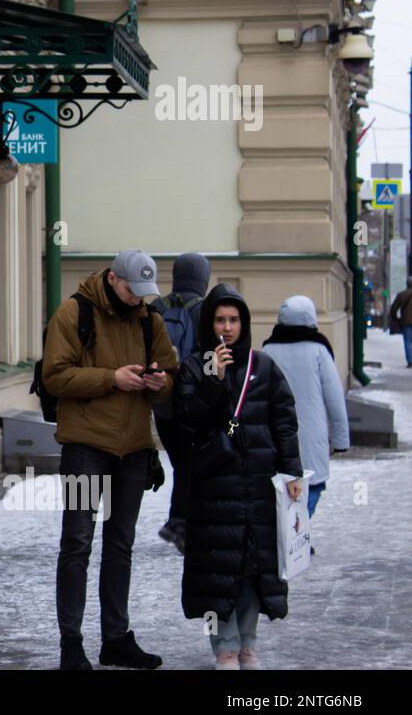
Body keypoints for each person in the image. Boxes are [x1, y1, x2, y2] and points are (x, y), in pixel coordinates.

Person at [42, 250, 179, 670]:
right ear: (113, 279)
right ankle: (71, 644)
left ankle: (115, 639)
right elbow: (55, 376)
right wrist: (111, 378)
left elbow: (170, 376)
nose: (138, 299)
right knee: (77, 544)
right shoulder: (73, 312)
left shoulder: (149, 319)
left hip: (133, 451)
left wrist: (160, 382)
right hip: (85, 449)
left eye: (144, 293)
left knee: (120, 546)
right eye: (132, 291)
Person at [175, 284, 303, 670]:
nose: (226, 328)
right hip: (214, 487)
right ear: (208, 323)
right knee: (218, 571)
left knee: (251, 570)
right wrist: (213, 380)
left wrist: (291, 470)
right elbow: (187, 422)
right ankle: (224, 648)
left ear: (244, 324)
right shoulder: (195, 367)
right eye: (219, 319)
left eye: (233, 320)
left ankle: (247, 644)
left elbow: (284, 421)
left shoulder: (263, 367)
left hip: (258, 485)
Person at [262, 296, 350, 523]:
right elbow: (334, 398)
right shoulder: (319, 350)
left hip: (276, 435)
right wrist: (341, 441)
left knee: (282, 487)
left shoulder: (268, 349)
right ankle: (298, 533)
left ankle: (290, 534)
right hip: (313, 436)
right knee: (313, 486)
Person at [153, 253, 211, 555]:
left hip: (162, 403)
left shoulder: (157, 307)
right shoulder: (204, 310)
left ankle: (180, 522)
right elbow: (211, 357)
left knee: (182, 464)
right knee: (192, 465)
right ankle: (179, 523)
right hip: (192, 403)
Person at [387, 279, 412, 367]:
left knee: (407, 341)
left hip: (406, 321)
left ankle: (410, 362)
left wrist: (395, 318)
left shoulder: (401, 295)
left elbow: (393, 308)